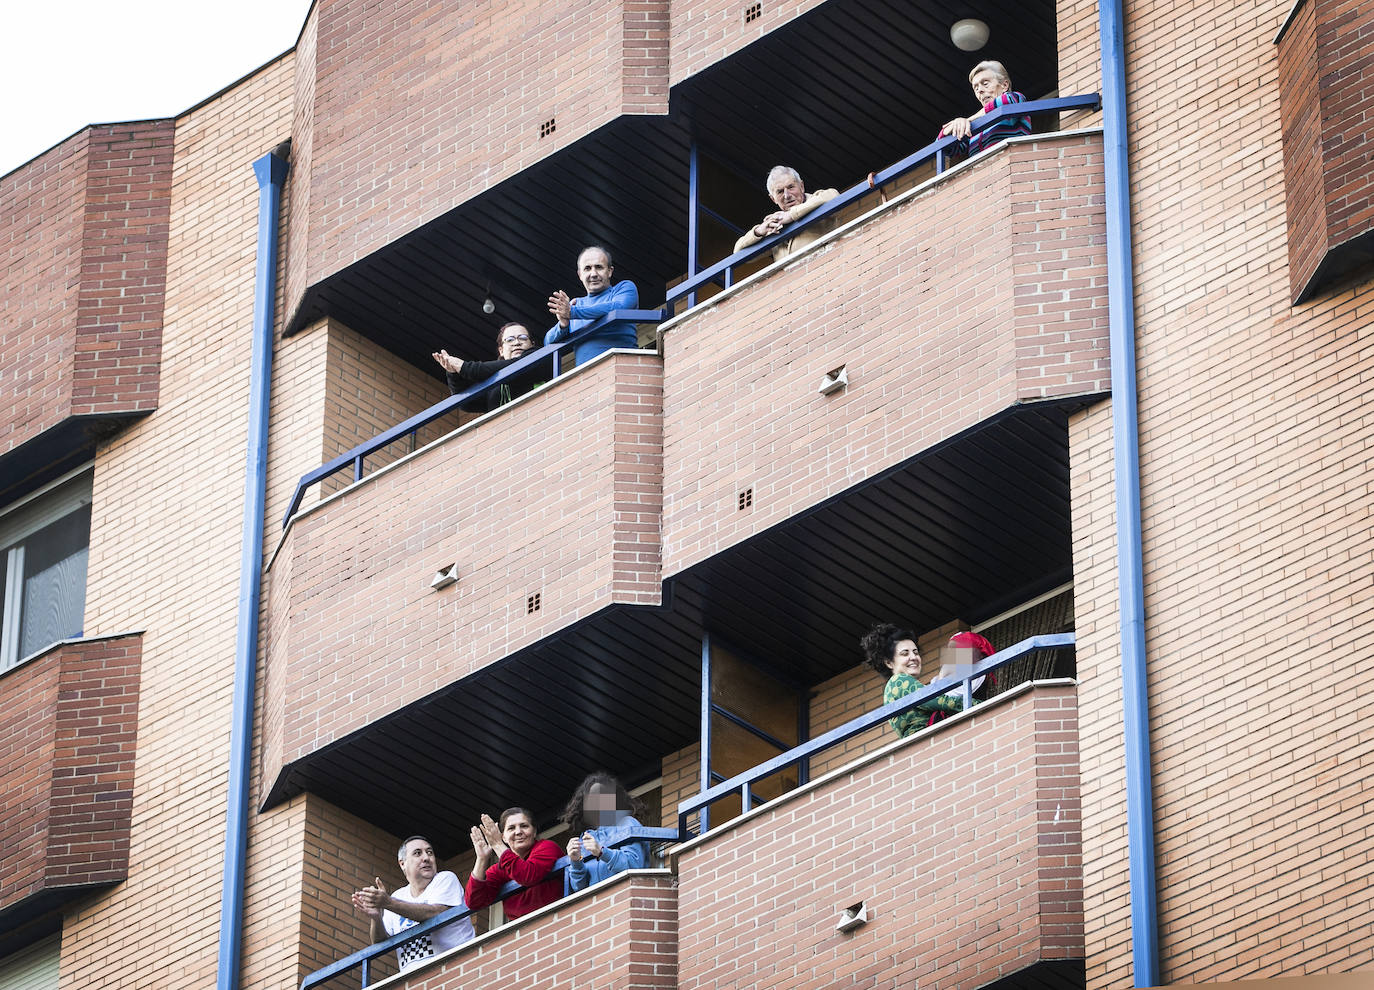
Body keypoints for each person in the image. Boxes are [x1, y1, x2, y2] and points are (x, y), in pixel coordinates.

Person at [350, 834, 475, 974]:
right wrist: (376, 917)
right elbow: (379, 942)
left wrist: (388, 903)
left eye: (430, 852)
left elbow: (434, 913)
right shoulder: (398, 896)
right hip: (415, 981)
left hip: (457, 971)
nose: (426, 858)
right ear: (402, 863)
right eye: (417, 853)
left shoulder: (445, 879)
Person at [861, 622, 965, 738]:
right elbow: (943, 702)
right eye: (905, 654)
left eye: (915, 652)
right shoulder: (898, 680)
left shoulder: (894, 688)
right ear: (889, 663)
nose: (913, 657)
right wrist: (979, 704)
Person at [464, 808, 563, 921]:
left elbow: (527, 875)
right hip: (519, 932)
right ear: (503, 837)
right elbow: (474, 902)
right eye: (511, 828)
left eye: (524, 826)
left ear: (534, 831)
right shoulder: (499, 869)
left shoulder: (547, 847)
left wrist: (497, 844)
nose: (518, 832)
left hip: (555, 921)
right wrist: (482, 859)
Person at [560, 772, 651, 893]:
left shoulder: (627, 823)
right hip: (598, 906)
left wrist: (602, 852)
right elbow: (579, 887)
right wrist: (576, 861)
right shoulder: (586, 838)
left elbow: (634, 865)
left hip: (626, 897)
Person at [546, 247, 639, 365]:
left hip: (624, 370)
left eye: (599, 267)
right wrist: (563, 325)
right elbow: (547, 342)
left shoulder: (624, 288)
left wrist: (573, 312)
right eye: (587, 268)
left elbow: (619, 306)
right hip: (588, 379)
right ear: (580, 274)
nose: (593, 274)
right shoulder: (576, 305)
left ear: (610, 271)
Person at [733, 166, 839, 264]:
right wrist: (759, 231)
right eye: (780, 192)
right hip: (793, 282)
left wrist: (791, 215)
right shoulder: (775, 224)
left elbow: (833, 195)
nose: (787, 195)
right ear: (773, 199)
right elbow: (738, 255)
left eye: (791, 187)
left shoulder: (816, 200)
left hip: (826, 273)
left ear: (801, 186)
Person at [432, 322, 542, 412]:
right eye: (510, 340)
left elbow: (519, 365)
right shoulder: (493, 384)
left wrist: (465, 367)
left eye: (523, 338)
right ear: (501, 350)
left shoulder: (540, 357)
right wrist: (453, 374)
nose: (517, 343)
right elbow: (466, 404)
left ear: (532, 344)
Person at [938, 60, 1032, 158]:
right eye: (976, 88)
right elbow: (949, 150)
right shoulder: (973, 126)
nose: (980, 90)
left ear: (1004, 85)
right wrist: (952, 127)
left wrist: (968, 120)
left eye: (985, 83)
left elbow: (1007, 100)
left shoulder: (1014, 98)